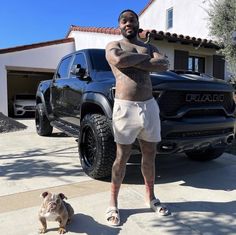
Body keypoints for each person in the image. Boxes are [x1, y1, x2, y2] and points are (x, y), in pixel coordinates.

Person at [105, 9, 170, 226]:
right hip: (125, 107)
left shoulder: (150, 46)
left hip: (149, 106)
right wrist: (145, 59)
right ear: (119, 25)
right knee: (121, 157)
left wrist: (132, 60)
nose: (128, 23)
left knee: (150, 154)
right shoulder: (114, 45)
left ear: (138, 23)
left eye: (132, 20)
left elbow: (163, 64)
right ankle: (113, 203)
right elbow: (117, 59)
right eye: (124, 21)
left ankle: (150, 197)